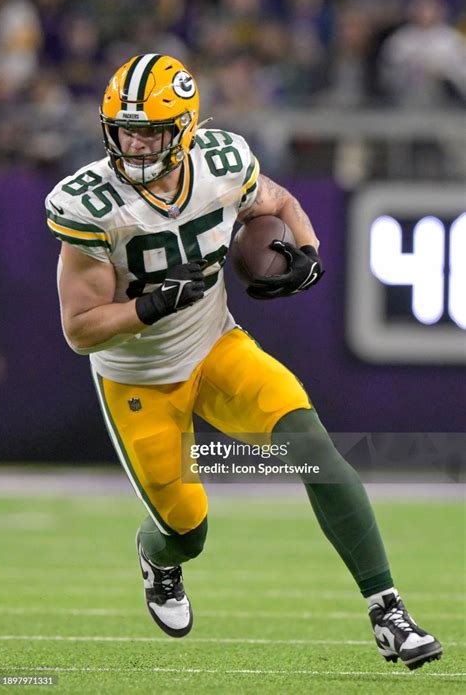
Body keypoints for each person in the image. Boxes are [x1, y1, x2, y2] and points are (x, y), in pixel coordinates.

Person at [46, 53, 442, 669]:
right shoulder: (92, 203)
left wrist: (307, 250)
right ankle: (159, 558)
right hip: (139, 379)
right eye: (124, 130)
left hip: (216, 346)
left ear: (185, 129)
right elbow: (80, 329)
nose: (135, 143)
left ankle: (388, 610)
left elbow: (278, 201)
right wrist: (149, 306)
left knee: (313, 448)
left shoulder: (221, 163)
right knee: (188, 531)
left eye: (150, 130)